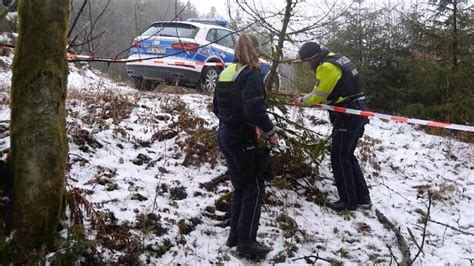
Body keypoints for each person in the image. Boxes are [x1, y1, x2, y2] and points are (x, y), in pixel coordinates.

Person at [212, 33, 278, 258]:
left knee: (241, 186)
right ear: (256, 51)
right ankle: (247, 242)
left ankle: (235, 237)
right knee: (254, 187)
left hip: (225, 134)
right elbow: (254, 110)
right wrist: (270, 131)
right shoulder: (252, 74)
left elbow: (215, 108)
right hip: (242, 138)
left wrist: (233, 120)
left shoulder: (226, 72)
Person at [293, 41, 371, 212]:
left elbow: (319, 96)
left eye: (304, 62)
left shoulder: (326, 67)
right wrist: (309, 96)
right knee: (348, 155)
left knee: (339, 156)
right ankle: (363, 197)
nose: (305, 66)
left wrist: (303, 101)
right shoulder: (334, 58)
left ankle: (348, 201)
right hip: (356, 109)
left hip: (348, 114)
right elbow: (326, 88)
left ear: (312, 58)